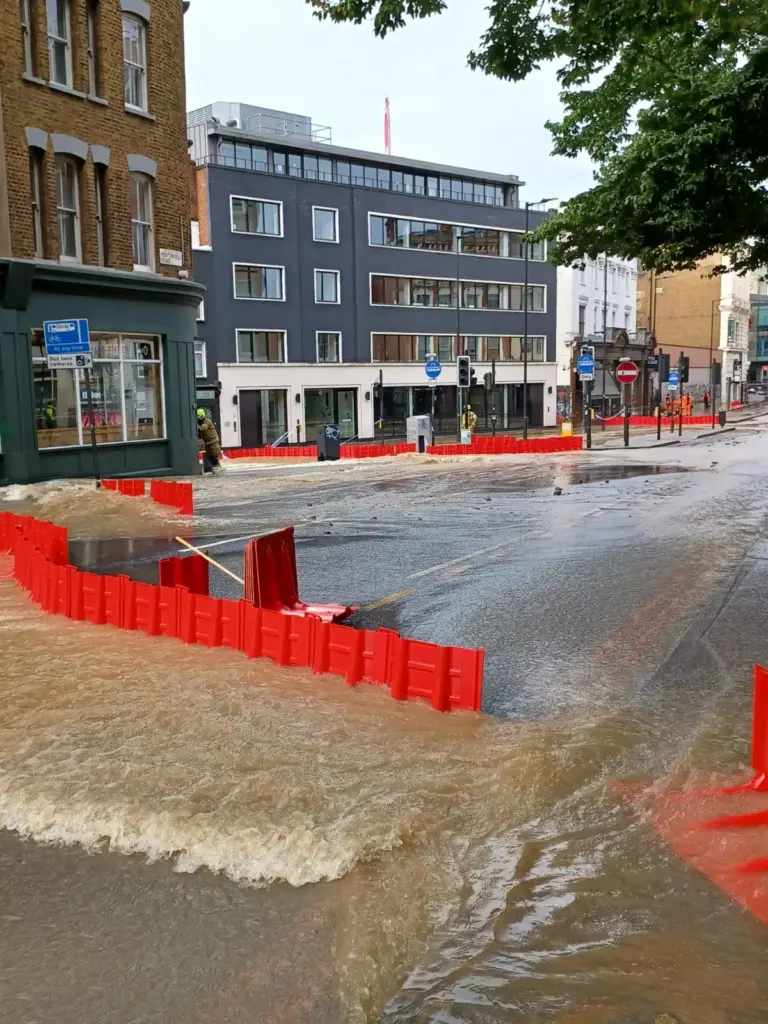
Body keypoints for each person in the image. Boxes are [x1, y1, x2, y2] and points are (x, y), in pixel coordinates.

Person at [197, 408, 222, 473]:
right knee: (209, 456)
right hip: (207, 443)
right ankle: (216, 467)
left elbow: (202, 429)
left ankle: (218, 467)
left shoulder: (207, 421)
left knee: (213, 455)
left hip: (213, 442)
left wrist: (195, 424)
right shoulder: (201, 421)